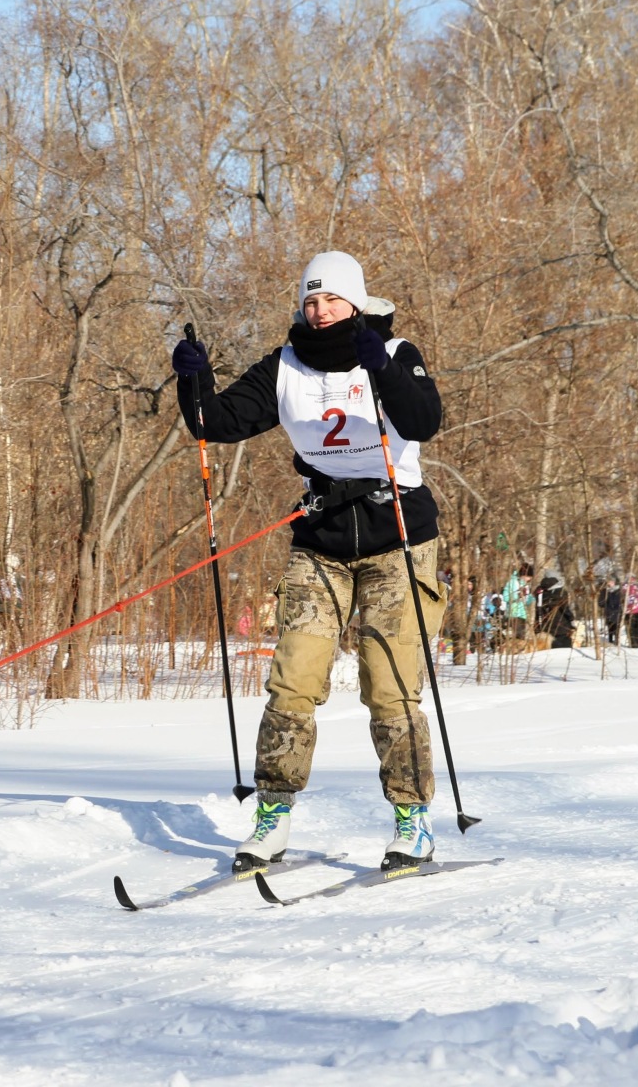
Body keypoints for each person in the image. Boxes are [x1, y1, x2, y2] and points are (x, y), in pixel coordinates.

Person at [172, 250, 445, 870]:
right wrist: (193, 380)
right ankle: (272, 814)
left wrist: (382, 369)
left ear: (356, 302)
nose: (320, 312)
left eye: (332, 300)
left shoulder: (394, 351)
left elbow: (423, 420)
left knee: (390, 685)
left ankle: (412, 819)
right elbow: (215, 423)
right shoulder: (286, 364)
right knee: (293, 680)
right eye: (311, 301)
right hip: (322, 536)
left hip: (398, 534)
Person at [536, 569, 576, 648]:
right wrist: (571, 620)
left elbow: (537, 609)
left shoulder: (539, 591)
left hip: (545, 627)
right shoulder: (561, 591)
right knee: (564, 651)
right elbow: (565, 608)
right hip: (561, 627)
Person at [502, 563, 534, 640]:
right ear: (524, 575)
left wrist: (532, 597)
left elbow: (526, 602)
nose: (529, 579)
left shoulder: (526, 585)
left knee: (521, 638)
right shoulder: (513, 582)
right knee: (516, 638)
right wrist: (517, 596)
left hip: (522, 615)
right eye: (529, 577)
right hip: (513, 614)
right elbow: (505, 597)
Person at [622, 574, 638, 649]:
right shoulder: (624, 587)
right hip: (629, 611)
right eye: (630, 578)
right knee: (631, 628)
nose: (632, 580)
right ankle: (633, 643)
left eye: (633, 578)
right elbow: (623, 599)